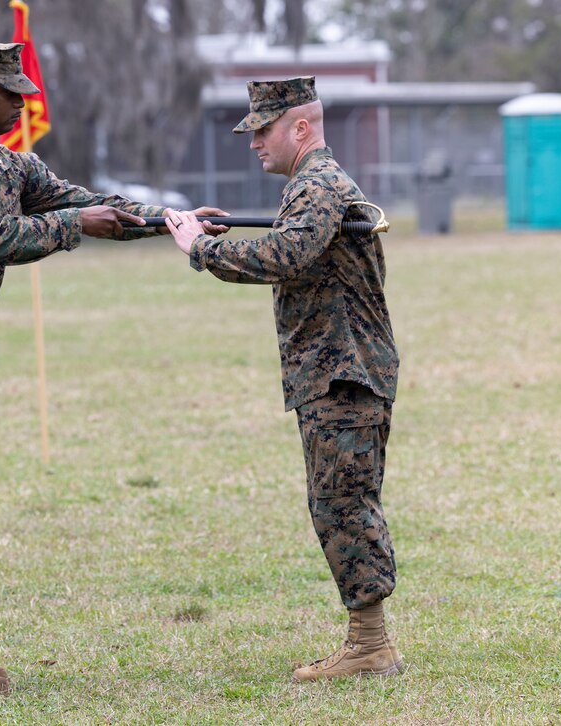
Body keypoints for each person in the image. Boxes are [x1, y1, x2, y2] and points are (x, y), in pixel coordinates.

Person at [0, 41, 226, 698]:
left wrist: (169, 220)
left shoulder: (7, 165)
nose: (24, 101)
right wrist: (72, 225)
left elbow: (85, 201)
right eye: (11, 92)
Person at [163, 77, 403, 682]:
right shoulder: (312, 187)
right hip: (332, 370)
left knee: (343, 504)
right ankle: (367, 641)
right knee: (336, 502)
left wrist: (201, 250)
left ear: (301, 128)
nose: (252, 142)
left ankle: (370, 646)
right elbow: (295, 245)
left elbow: (286, 255)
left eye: (263, 130)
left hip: (344, 371)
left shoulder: (318, 184)